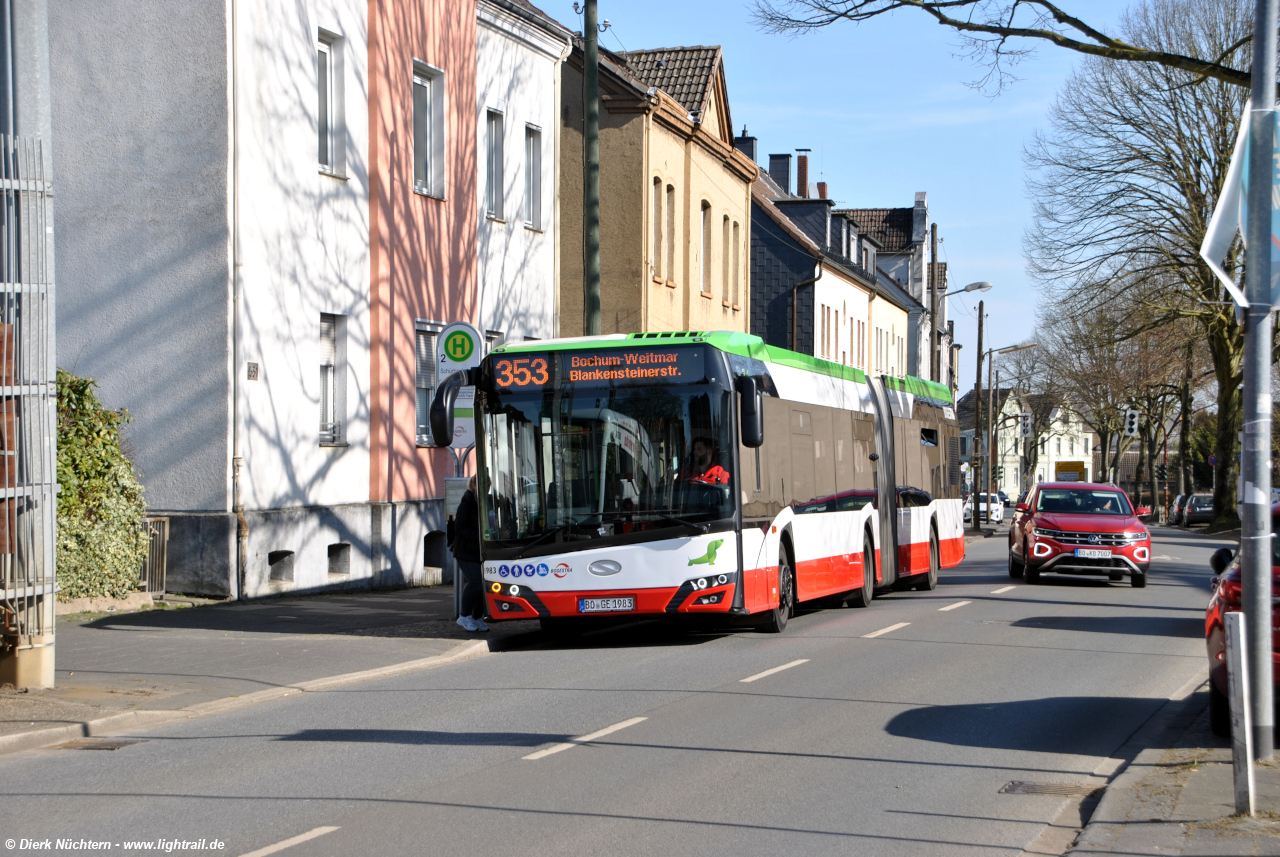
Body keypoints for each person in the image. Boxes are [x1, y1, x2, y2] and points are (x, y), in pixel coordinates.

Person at [450, 475, 488, 633]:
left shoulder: (482, 502)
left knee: (482, 584)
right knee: (475, 581)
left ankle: (476, 616)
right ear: (473, 485)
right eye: (484, 485)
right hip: (465, 551)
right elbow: (460, 528)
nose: (486, 489)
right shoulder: (467, 502)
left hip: (477, 550)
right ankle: (464, 616)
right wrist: (479, 536)